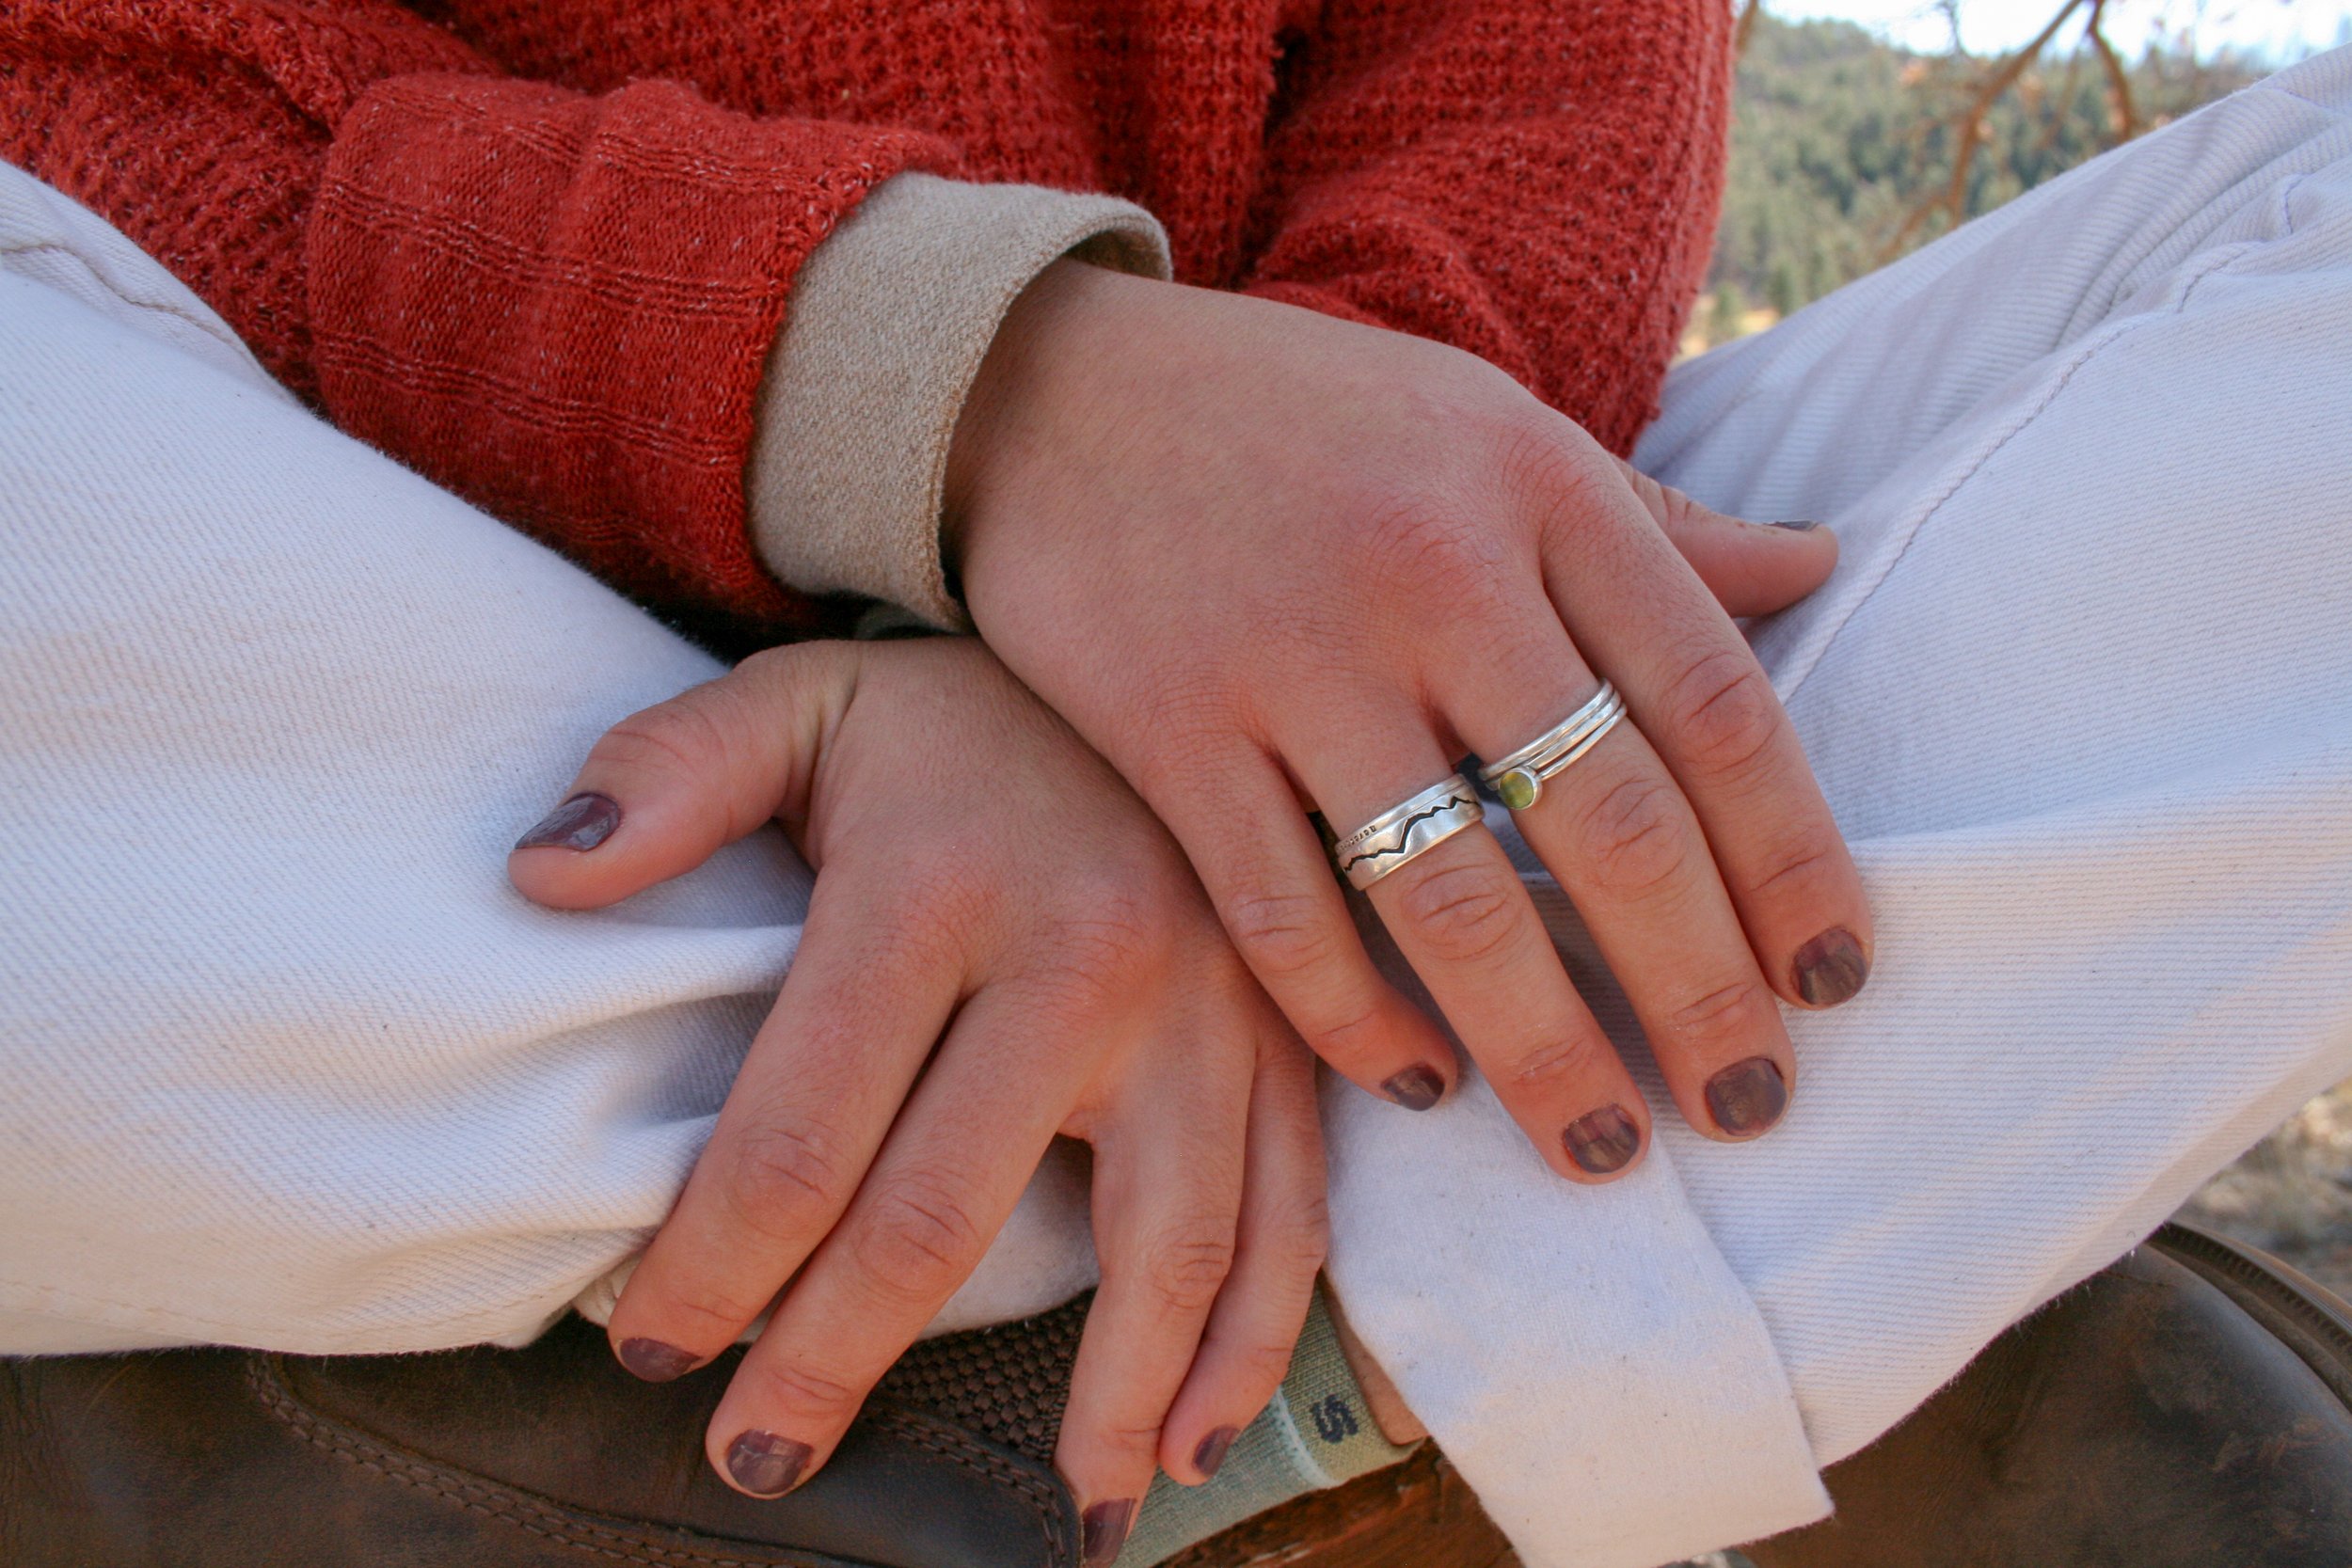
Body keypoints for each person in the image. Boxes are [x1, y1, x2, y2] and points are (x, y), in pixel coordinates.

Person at [4, 2, 2352, 1565]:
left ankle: (1043, 1331)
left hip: (1355, 544)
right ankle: (1422, 1323)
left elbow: (1526, 100)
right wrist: (958, 395)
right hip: (412, 584)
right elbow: (92, 88)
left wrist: (1237, 605)